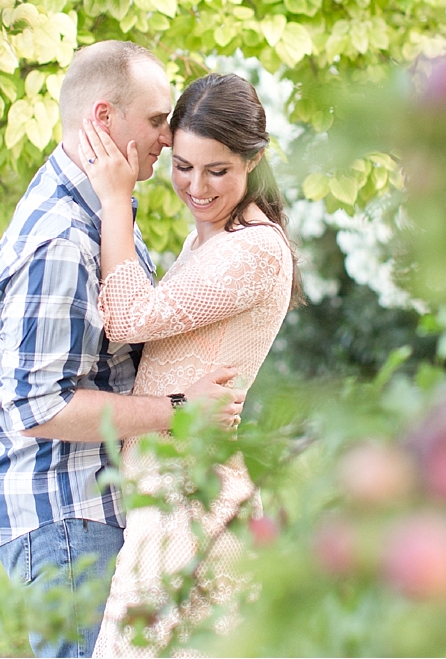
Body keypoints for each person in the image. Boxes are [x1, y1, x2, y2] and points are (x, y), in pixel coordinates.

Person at [0, 42, 245, 659]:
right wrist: (181, 408)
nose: (168, 138)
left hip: (83, 511)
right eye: (156, 120)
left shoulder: (95, 209)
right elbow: (36, 407)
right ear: (104, 118)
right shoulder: (62, 239)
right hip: (67, 517)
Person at [79, 72, 300, 657]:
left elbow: (129, 319)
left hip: (191, 501)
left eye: (217, 170)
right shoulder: (211, 240)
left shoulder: (254, 249)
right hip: (168, 495)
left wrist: (114, 201)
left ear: (254, 160)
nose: (196, 186)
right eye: (182, 166)